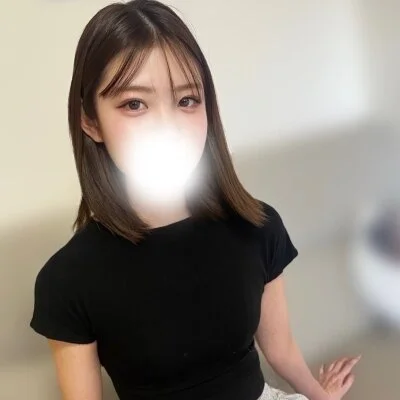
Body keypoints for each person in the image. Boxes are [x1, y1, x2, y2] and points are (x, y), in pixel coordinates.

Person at [30, 1, 361, 399]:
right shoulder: (68, 281)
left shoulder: (257, 227)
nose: (168, 127)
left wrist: (320, 397)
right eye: (134, 104)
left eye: (187, 100)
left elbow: (282, 351)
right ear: (90, 121)